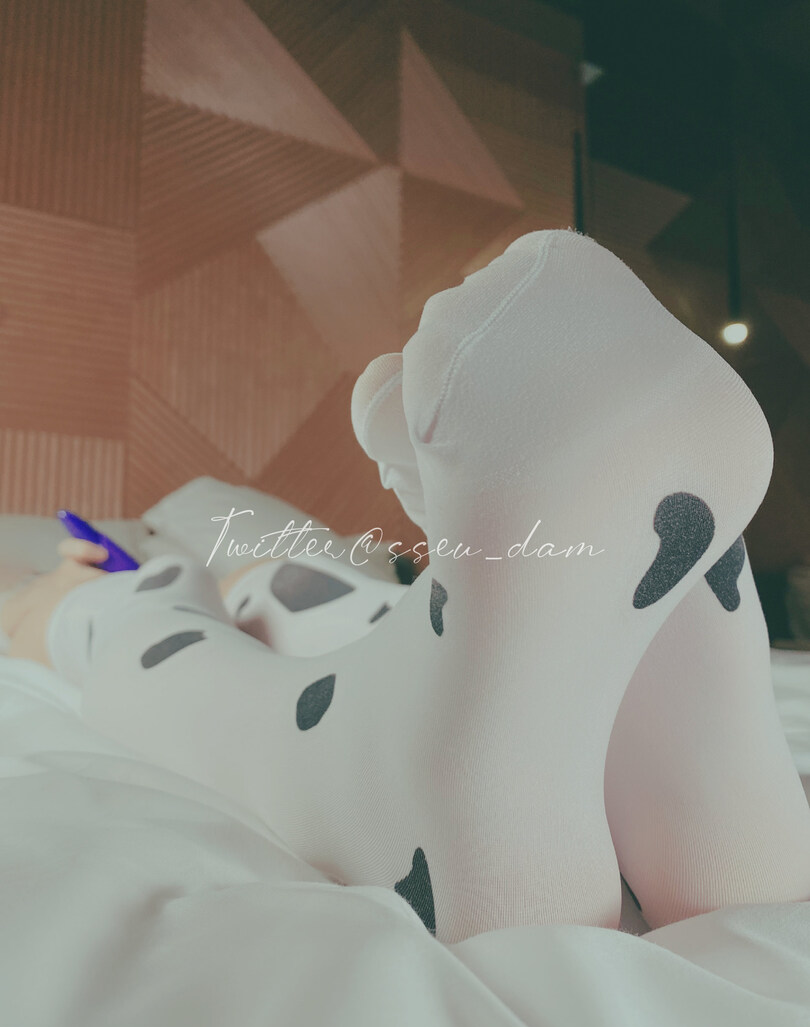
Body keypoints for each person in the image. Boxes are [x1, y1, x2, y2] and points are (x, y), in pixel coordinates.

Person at [3, 230, 809, 944]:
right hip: (360, 613)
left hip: (377, 610)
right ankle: (719, 829)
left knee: (422, 643)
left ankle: (463, 745)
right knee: (167, 610)